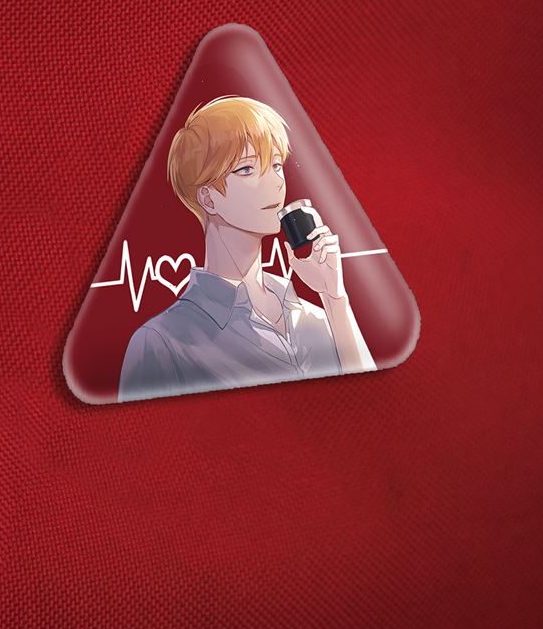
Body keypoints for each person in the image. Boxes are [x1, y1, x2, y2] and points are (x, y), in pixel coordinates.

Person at [117, 95, 376, 402]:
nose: (275, 182)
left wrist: (334, 298)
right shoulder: (161, 342)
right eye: (246, 169)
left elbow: (370, 403)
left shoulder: (315, 316)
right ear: (208, 198)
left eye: (276, 165)